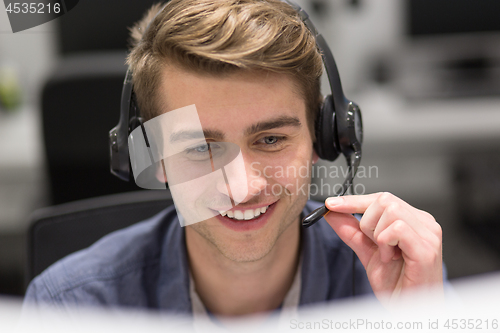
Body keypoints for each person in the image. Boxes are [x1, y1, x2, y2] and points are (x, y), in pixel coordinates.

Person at [24, 0, 443, 321]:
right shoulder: (72, 308)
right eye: (200, 148)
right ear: (154, 157)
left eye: (272, 138)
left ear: (323, 137)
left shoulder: (396, 285)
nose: (242, 187)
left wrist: (423, 318)